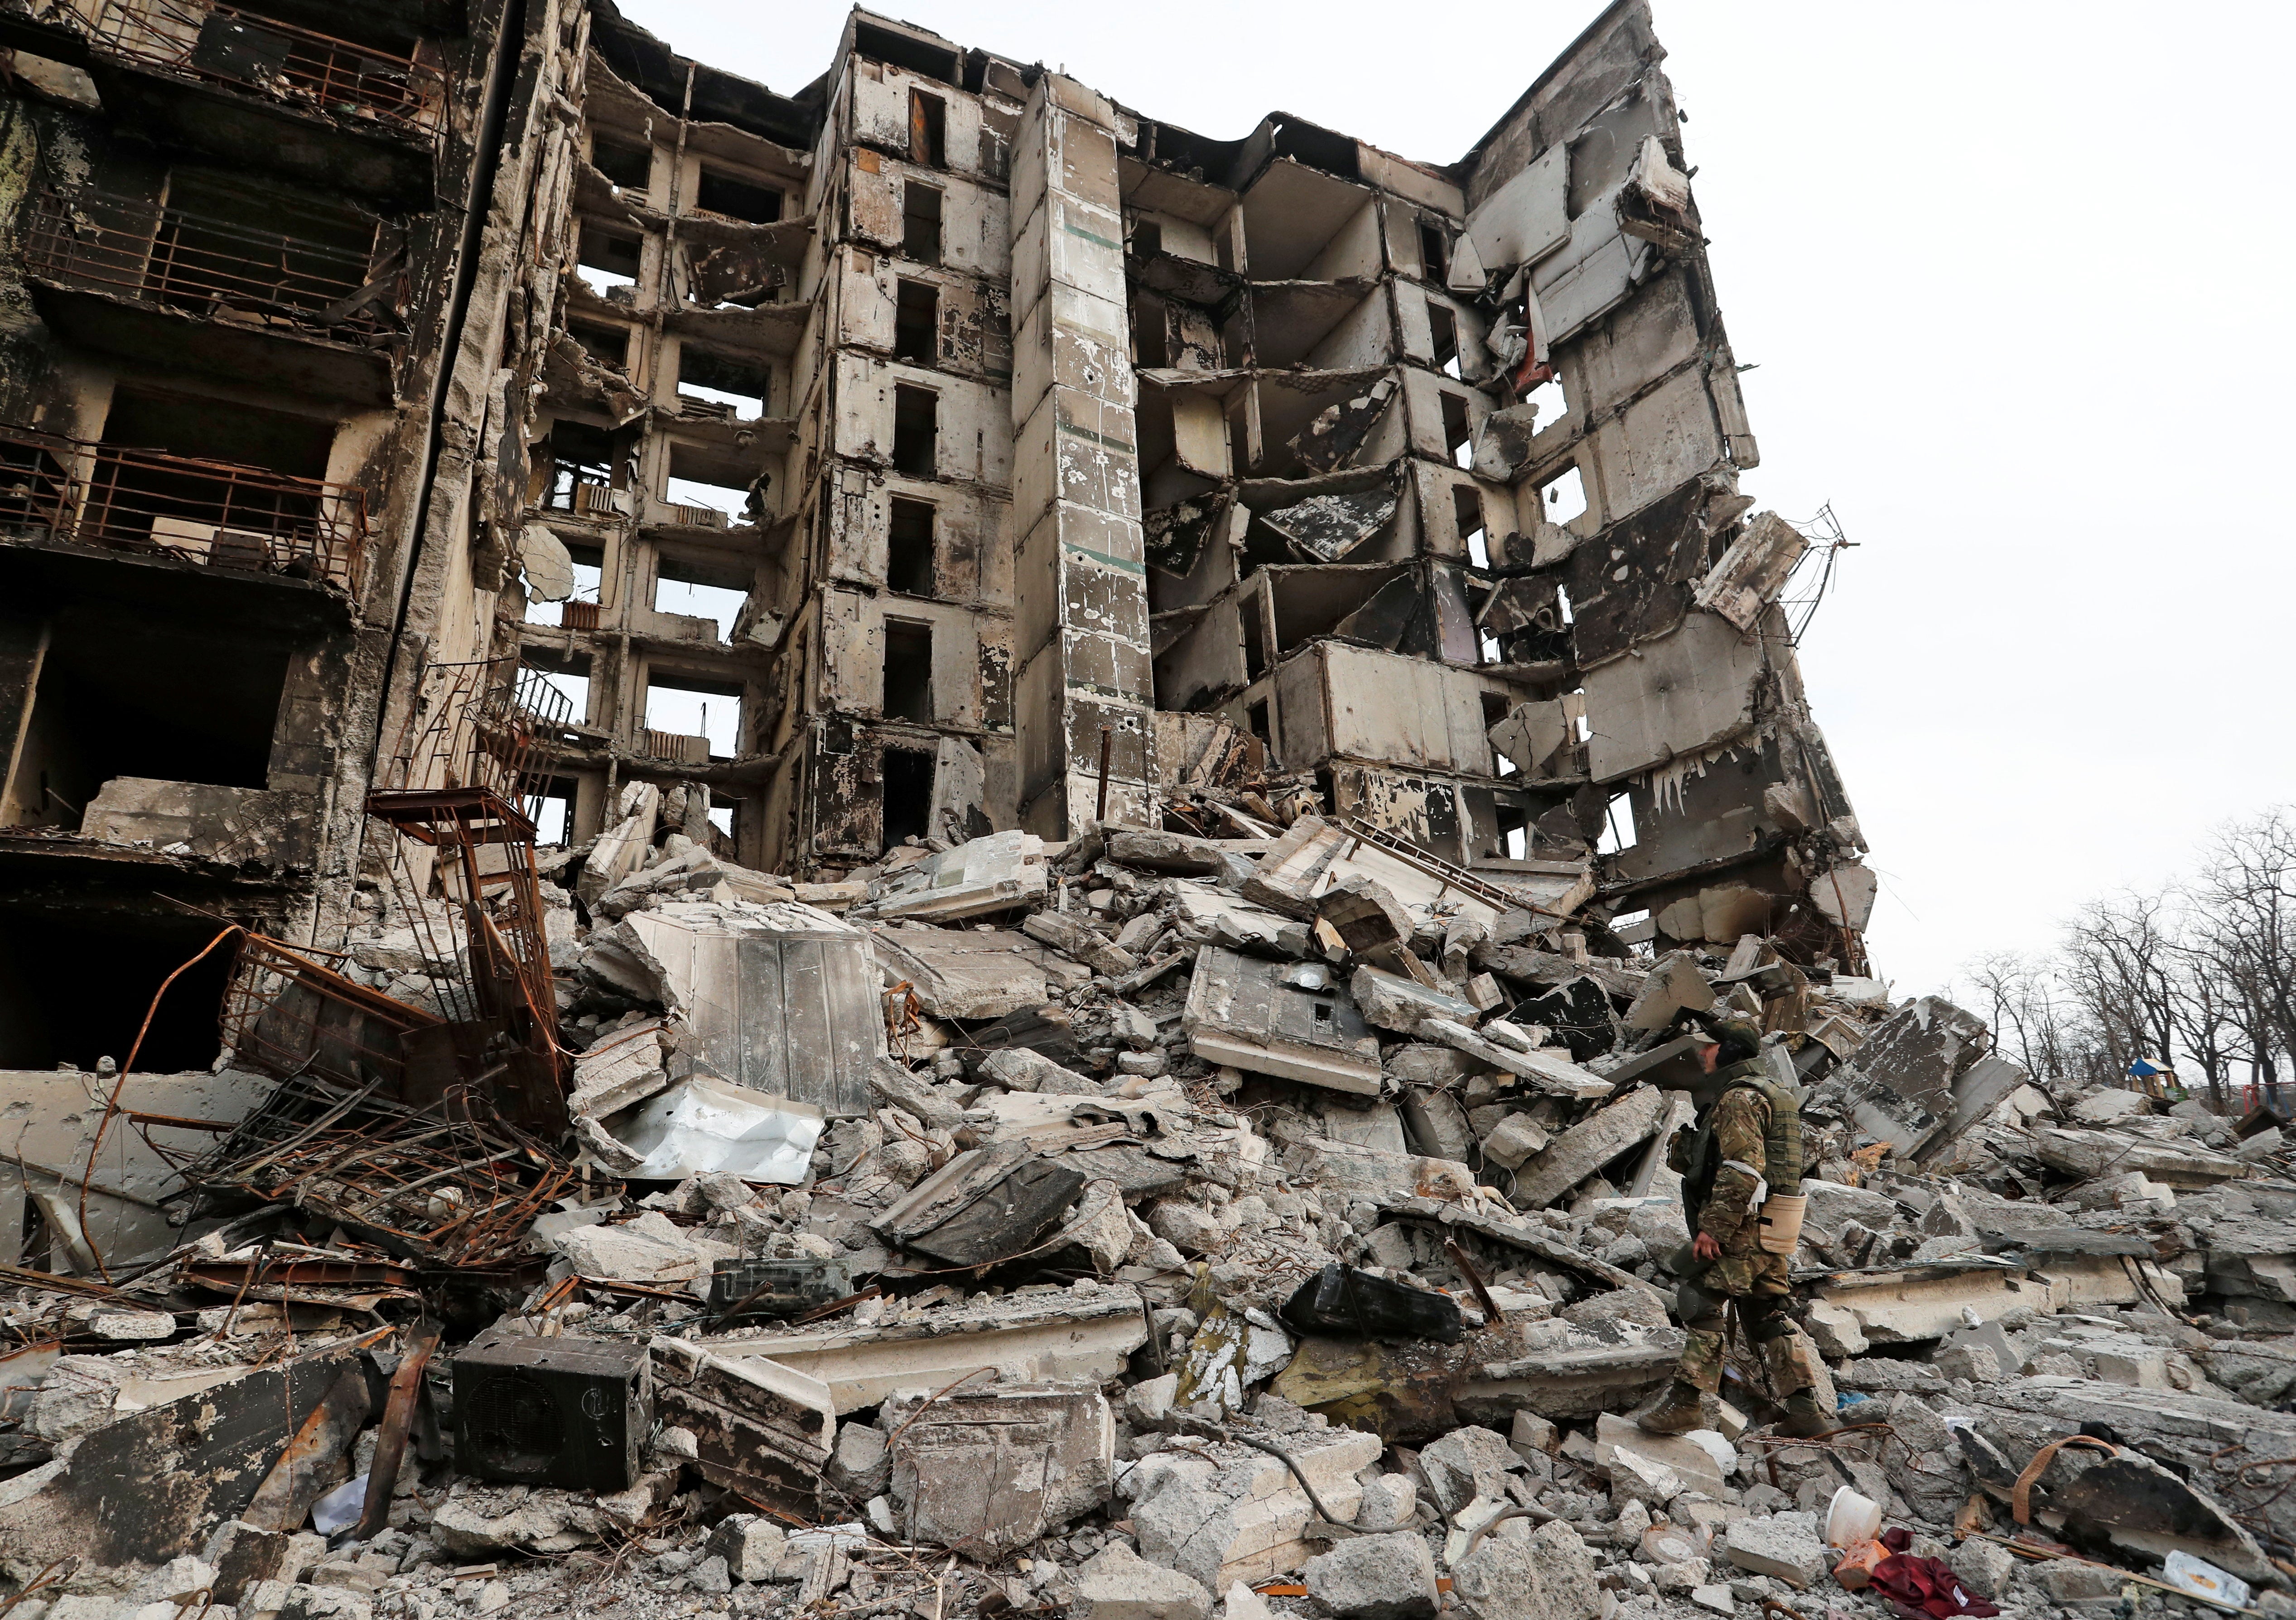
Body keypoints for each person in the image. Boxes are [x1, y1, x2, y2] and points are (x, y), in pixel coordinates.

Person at [1635, 1012, 1829, 1438]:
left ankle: (1686, 1402)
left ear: (1729, 1052)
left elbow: (1743, 1169)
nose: (1703, 1052)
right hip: (1774, 1224)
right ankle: (1806, 1412)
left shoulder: (1740, 1098)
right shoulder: (1774, 1094)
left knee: (1700, 1300)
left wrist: (1714, 1229)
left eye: (1710, 1045)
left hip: (1743, 1226)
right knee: (1766, 1314)